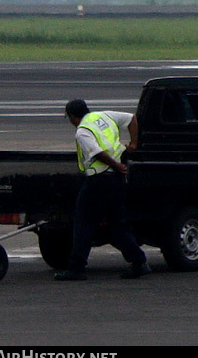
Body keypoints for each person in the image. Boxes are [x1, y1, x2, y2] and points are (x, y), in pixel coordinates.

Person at [55, 100, 151, 281]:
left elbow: (97, 152)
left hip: (99, 179)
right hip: (116, 181)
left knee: (83, 223)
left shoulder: (83, 131)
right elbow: (132, 119)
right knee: (117, 224)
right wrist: (133, 144)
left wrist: (116, 166)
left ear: (73, 116)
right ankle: (139, 261)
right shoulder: (104, 116)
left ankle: (76, 268)